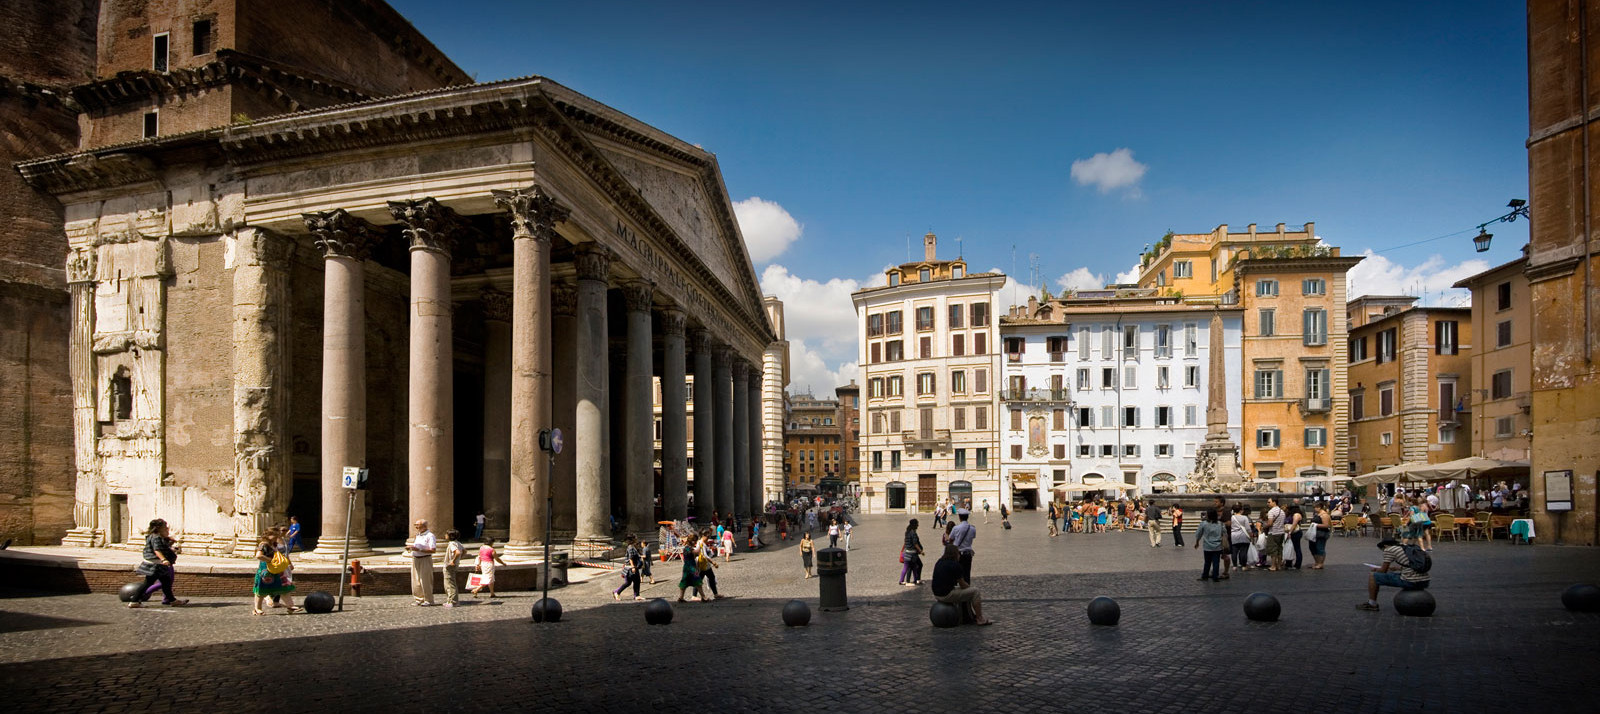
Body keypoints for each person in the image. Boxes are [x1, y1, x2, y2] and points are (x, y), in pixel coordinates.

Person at [1359, 538, 1431, 611]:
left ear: (1385, 545)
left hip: (1410, 581)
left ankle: (1372, 604)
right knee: (1393, 574)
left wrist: (1375, 569)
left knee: (1373, 576)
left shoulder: (1389, 549)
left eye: (1383, 549)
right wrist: (1396, 568)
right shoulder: (1405, 547)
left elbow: (1383, 570)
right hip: (1424, 581)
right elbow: (1411, 565)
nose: (1383, 551)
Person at [130, 519, 187, 608]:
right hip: (156, 565)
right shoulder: (156, 537)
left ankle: (172, 600)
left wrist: (169, 540)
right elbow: (157, 550)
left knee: (166, 582)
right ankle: (134, 601)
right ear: (159, 528)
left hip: (158, 565)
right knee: (148, 583)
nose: (167, 528)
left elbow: (162, 546)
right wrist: (164, 559)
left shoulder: (156, 536)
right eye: (165, 527)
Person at [930, 544, 993, 626]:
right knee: (975, 592)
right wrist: (969, 587)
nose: (959, 555)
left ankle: (965, 617)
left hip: (937, 593)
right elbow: (963, 585)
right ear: (956, 554)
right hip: (946, 595)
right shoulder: (955, 565)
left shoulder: (939, 562)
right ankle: (980, 618)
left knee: (965, 591)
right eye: (958, 553)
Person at [251, 530, 298, 615]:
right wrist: (270, 560)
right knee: (261, 590)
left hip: (276, 569)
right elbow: (258, 555)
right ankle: (257, 609)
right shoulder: (263, 544)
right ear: (268, 535)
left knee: (283, 587)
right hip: (265, 570)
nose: (277, 537)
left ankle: (290, 606)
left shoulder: (274, 544)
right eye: (275, 535)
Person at [405, 519, 438, 606]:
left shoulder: (430, 536)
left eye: (417, 525)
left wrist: (419, 549)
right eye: (415, 525)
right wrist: (411, 548)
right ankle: (419, 599)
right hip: (416, 559)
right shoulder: (418, 535)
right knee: (416, 580)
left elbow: (433, 550)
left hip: (425, 559)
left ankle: (429, 600)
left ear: (424, 526)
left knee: (425, 580)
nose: (416, 527)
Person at [1194, 508, 1227, 582]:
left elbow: (1199, 534)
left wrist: (1197, 542)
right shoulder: (1220, 524)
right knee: (1216, 562)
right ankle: (1215, 576)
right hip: (1217, 546)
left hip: (1207, 546)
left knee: (1207, 562)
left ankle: (1205, 575)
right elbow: (1225, 534)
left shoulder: (1203, 523)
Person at [614, 534, 644, 601]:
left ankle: (637, 595)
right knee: (628, 582)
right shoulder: (630, 547)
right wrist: (633, 567)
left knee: (637, 581)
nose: (637, 539)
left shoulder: (633, 546)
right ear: (633, 539)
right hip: (630, 567)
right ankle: (617, 592)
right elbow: (631, 557)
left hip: (634, 566)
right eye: (635, 538)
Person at [949, 508, 977, 581]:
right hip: (968, 554)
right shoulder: (973, 528)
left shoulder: (956, 528)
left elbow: (950, 539)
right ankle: (967, 589)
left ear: (959, 517)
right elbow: (973, 537)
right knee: (967, 574)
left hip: (958, 554)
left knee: (957, 574)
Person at [677, 535, 707, 602]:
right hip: (691, 567)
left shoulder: (686, 548)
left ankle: (681, 597)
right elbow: (697, 552)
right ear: (692, 541)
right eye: (695, 541)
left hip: (686, 567)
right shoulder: (688, 548)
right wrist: (700, 545)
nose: (695, 542)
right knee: (697, 581)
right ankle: (704, 597)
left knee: (684, 582)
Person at [442, 529, 465, 609]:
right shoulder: (458, 543)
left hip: (450, 566)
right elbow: (464, 551)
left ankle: (453, 602)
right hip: (455, 565)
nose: (445, 535)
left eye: (446, 534)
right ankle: (449, 600)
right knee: (451, 582)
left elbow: (457, 552)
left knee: (449, 584)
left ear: (450, 536)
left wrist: (453, 560)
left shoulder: (452, 544)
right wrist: (459, 559)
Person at [900, 518, 925, 586]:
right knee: (912, 566)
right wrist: (920, 551)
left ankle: (917, 579)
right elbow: (915, 543)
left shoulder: (908, 531)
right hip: (912, 552)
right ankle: (909, 581)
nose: (918, 525)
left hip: (909, 551)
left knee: (916, 565)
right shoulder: (912, 533)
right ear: (915, 525)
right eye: (917, 524)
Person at [1309, 503, 1333, 569]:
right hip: (1314, 533)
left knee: (1320, 548)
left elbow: (1326, 525)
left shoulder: (1324, 515)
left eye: (1315, 507)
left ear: (1319, 507)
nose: (1314, 509)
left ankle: (1321, 563)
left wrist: (1315, 525)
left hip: (1322, 533)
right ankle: (1317, 562)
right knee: (1312, 547)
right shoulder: (1317, 514)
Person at [1264, 498, 1286, 571]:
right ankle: (1279, 565)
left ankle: (1273, 566)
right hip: (1281, 532)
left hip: (1273, 532)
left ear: (1274, 502)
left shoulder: (1271, 511)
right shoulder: (1282, 511)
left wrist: (1264, 526)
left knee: (1273, 549)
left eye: (1269, 502)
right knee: (1279, 549)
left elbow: (1270, 523)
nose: (1267, 503)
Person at [1229, 505, 1252, 570]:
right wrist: (1251, 535)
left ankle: (1234, 566)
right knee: (1243, 552)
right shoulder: (1244, 517)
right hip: (1243, 536)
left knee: (1234, 552)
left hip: (1234, 536)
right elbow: (1248, 528)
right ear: (1241, 510)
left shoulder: (1232, 517)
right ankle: (1244, 566)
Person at [1285, 501, 1305, 570]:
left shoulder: (1296, 514)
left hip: (1295, 533)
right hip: (1291, 532)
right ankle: (1288, 562)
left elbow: (1294, 524)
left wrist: (1290, 532)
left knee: (1297, 548)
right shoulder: (1292, 514)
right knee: (1289, 547)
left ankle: (1297, 564)